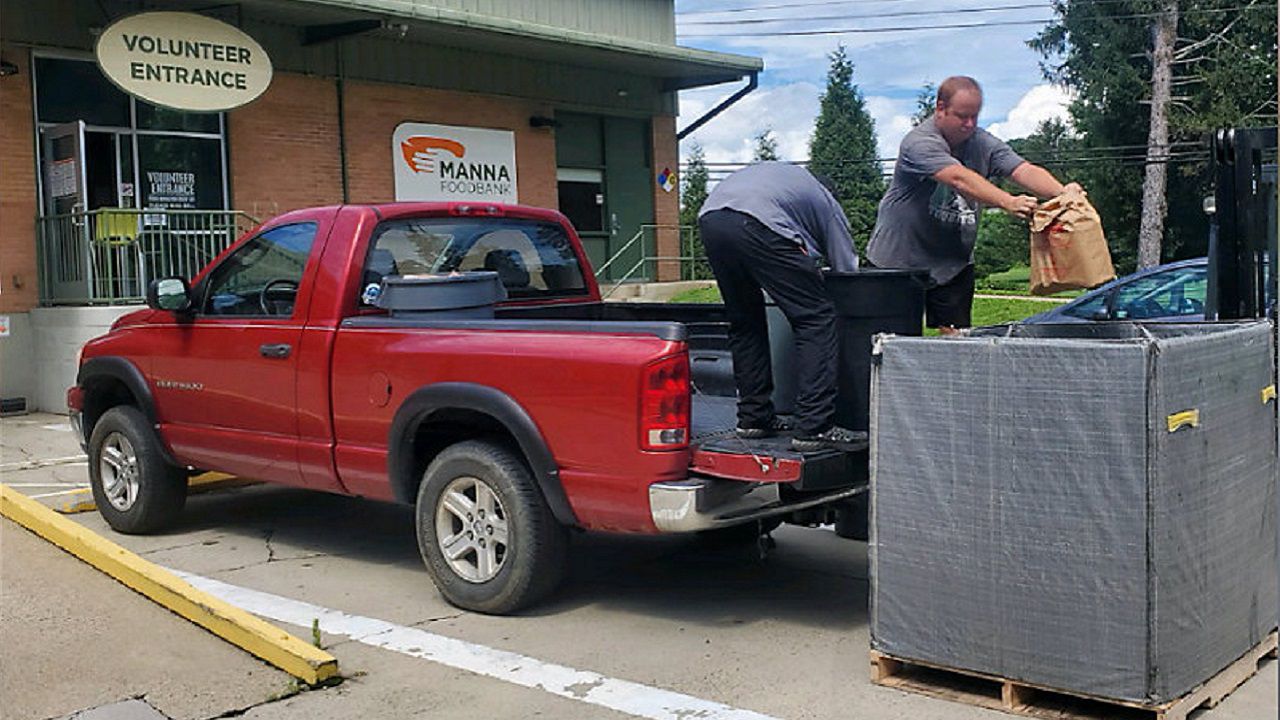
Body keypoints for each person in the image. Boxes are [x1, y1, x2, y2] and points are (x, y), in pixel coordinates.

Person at [867, 76, 1083, 334]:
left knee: (958, 343)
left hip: (952, 264)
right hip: (897, 263)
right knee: (891, 344)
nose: (969, 125)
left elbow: (1022, 170)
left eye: (975, 117)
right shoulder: (919, 143)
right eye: (961, 117)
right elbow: (959, 178)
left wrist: (1064, 193)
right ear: (940, 108)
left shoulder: (982, 142)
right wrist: (1009, 202)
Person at [698, 161, 862, 452]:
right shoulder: (824, 200)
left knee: (745, 322)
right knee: (817, 318)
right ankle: (815, 427)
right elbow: (846, 268)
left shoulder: (787, 180)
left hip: (712, 220)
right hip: (758, 221)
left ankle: (753, 419)